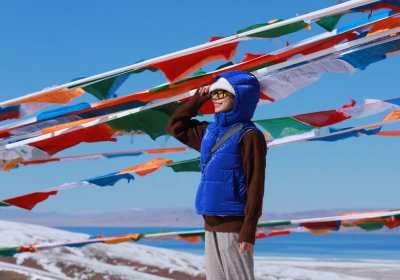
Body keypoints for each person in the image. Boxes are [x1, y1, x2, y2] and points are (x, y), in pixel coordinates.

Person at [166, 70, 267, 280]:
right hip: (210, 219)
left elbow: (256, 184)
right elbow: (175, 127)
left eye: (221, 94)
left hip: (234, 223)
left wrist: (249, 229)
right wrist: (197, 99)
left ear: (239, 97)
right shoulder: (209, 132)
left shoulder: (250, 136)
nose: (215, 98)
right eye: (214, 93)